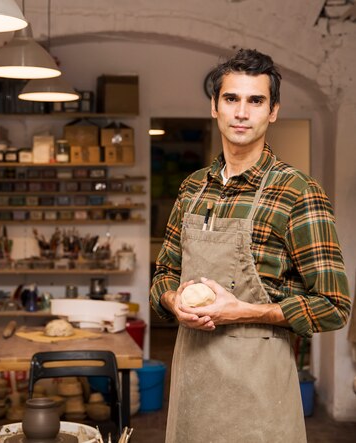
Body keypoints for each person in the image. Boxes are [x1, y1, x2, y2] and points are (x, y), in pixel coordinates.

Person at [149, 48, 351, 442]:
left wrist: (245, 310)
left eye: (255, 100)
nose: (242, 112)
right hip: (192, 387)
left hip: (260, 398)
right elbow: (163, 275)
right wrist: (175, 302)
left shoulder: (297, 192)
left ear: (272, 111)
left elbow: (334, 305)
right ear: (215, 107)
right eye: (231, 98)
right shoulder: (193, 188)